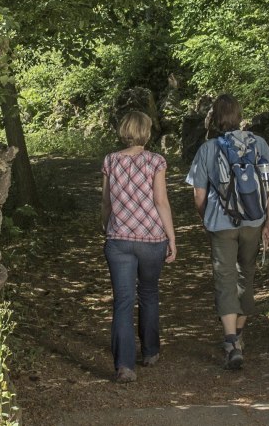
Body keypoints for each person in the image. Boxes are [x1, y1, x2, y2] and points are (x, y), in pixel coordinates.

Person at [185, 94, 269, 370]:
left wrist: (207, 219)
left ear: (215, 118)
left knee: (224, 276)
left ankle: (230, 342)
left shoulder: (208, 149)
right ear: (239, 116)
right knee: (246, 273)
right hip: (253, 220)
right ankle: (239, 334)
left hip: (221, 223)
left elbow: (199, 193)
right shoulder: (258, 143)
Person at [100, 111, 176, 383]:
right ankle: (151, 351)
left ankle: (124, 366)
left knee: (122, 301)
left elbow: (106, 202)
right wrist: (172, 238)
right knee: (149, 292)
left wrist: (105, 225)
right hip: (152, 239)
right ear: (146, 131)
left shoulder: (111, 160)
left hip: (119, 239)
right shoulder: (156, 161)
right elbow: (161, 201)